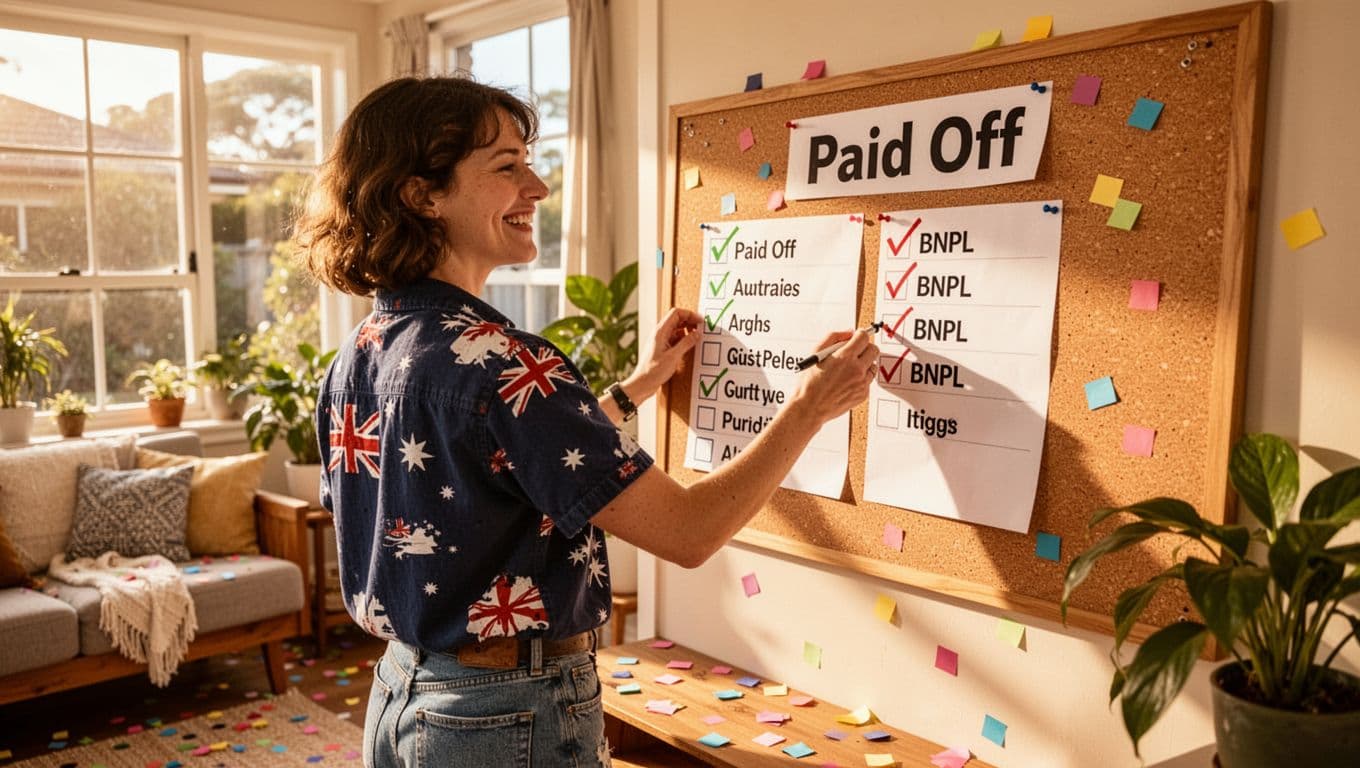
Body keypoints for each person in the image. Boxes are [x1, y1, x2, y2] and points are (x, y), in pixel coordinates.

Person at [293, 75, 879, 768]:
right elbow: (689, 532)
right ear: (423, 195)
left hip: (402, 692)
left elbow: (500, 463)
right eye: (506, 167)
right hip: (504, 713)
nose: (538, 187)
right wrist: (810, 406)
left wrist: (638, 387)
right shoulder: (508, 364)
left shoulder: (361, 354)